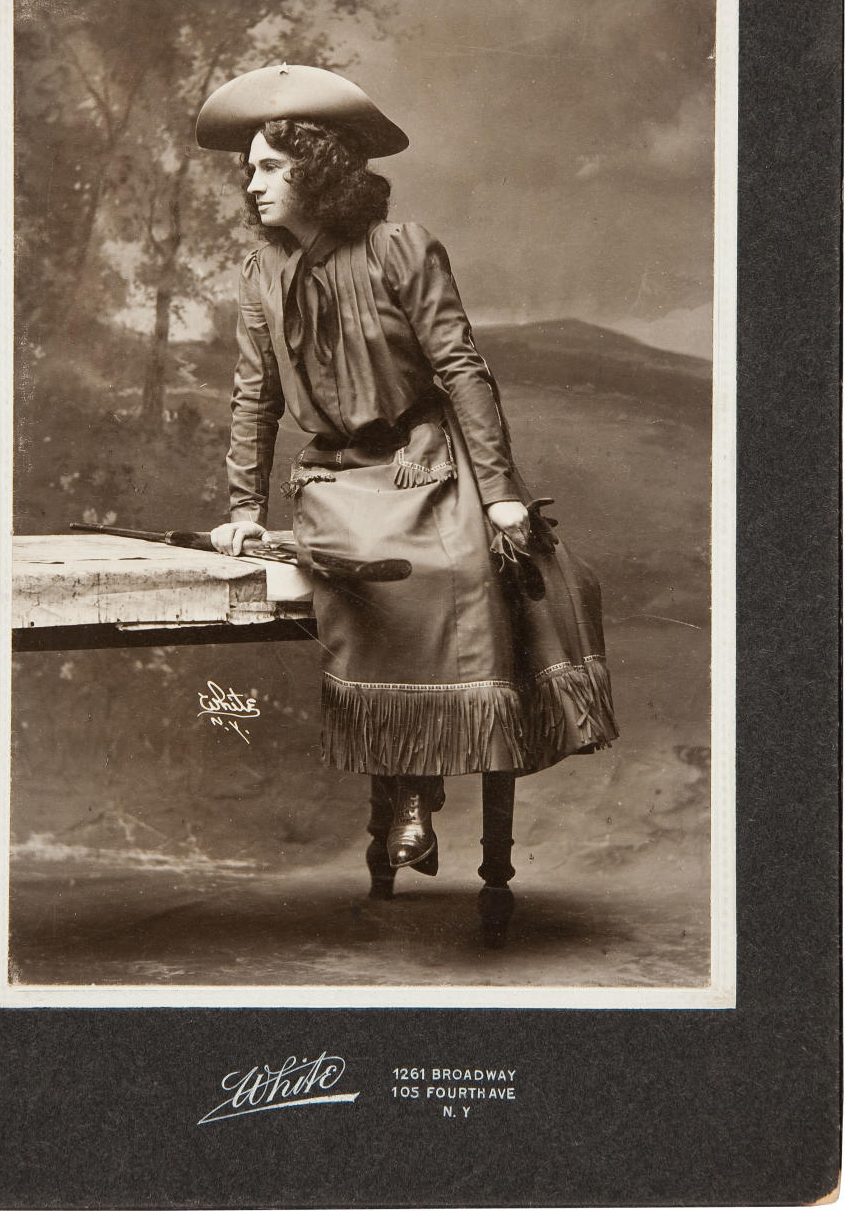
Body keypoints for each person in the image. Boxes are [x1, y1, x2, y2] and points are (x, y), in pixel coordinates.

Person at [197, 64, 616, 877]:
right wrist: (244, 508)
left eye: (270, 167)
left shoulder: (399, 249)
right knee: (371, 580)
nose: (250, 184)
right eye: (247, 169)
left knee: (456, 570)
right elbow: (255, 401)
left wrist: (499, 498)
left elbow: (462, 370)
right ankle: (411, 786)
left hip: (428, 464)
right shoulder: (261, 275)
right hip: (337, 483)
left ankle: (417, 790)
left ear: (316, 165)